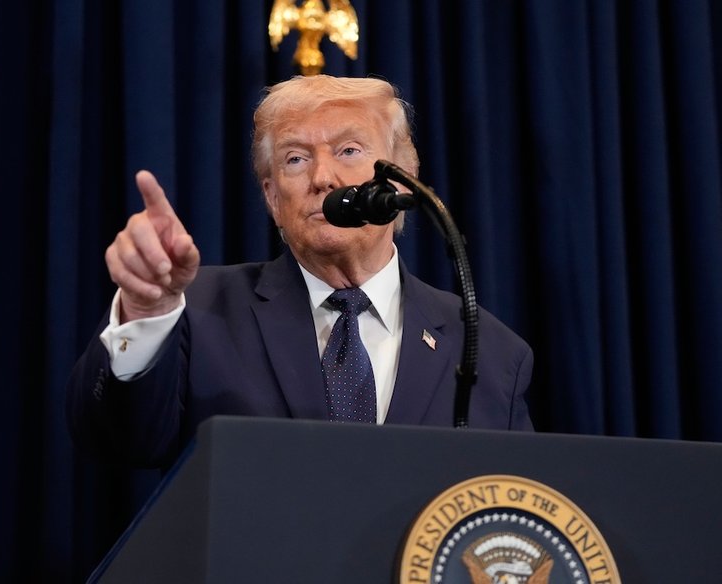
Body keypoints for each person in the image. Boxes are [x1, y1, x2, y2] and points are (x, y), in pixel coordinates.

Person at [67, 75, 533, 469]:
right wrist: (147, 311)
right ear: (273, 198)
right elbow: (116, 443)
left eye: (349, 150)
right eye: (296, 159)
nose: (323, 178)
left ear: (400, 181)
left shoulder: (491, 351)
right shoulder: (200, 312)